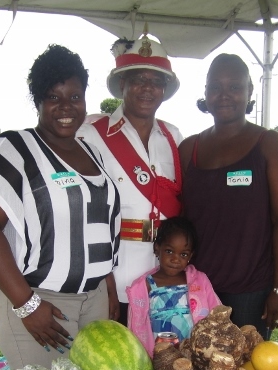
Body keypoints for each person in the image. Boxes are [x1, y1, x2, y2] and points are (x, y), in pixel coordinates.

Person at [0, 44, 121, 368]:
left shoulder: (92, 152)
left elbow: (100, 225)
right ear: (38, 101)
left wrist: (108, 287)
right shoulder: (13, 148)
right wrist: (27, 305)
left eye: (75, 97)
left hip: (95, 300)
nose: (66, 107)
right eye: (54, 97)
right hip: (41, 302)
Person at [179, 54, 278, 339]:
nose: (224, 95)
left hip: (251, 292)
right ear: (206, 93)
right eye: (215, 87)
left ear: (249, 92)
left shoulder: (270, 145)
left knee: (246, 363)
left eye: (234, 86)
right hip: (198, 288)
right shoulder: (189, 149)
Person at [76, 30, 184, 326]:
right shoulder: (90, 134)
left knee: (165, 353)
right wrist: (105, 280)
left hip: (167, 270)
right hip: (117, 271)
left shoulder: (173, 136)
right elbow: (86, 214)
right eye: (138, 79)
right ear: (122, 83)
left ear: (164, 89)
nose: (147, 89)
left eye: (156, 81)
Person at [126, 216, 221, 357]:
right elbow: (135, 325)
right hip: (159, 356)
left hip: (194, 353)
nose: (175, 259)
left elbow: (217, 314)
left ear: (190, 256)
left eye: (183, 254)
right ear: (157, 248)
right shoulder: (144, 286)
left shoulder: (199, 281)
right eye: (169, 251)